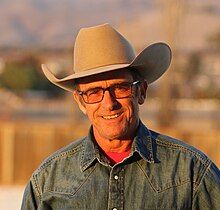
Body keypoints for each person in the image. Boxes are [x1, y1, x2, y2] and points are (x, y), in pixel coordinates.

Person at [21, 23, 220, 210]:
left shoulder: (192, 172)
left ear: (141, 91)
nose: (109, 104)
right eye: (94, 92)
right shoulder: (47, 181)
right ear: (81, 102)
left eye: (120, 87)